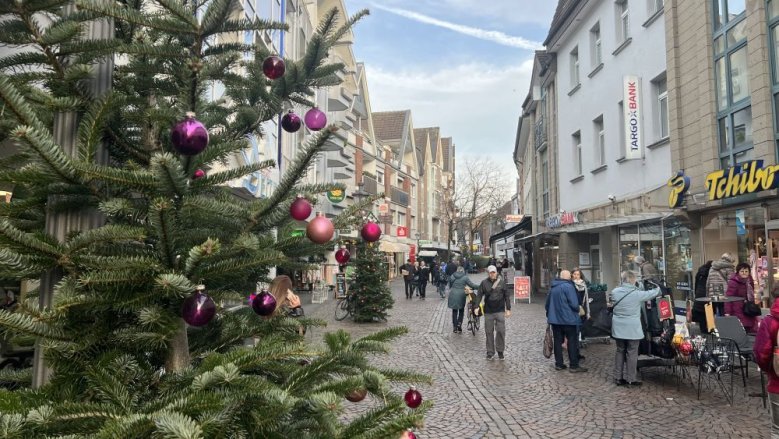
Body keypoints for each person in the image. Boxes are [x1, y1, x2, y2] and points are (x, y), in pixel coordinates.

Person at [611, 271, 662, 386]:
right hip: (632, 328)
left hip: (618, 327)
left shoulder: (614, 292)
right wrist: (653, 283)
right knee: (632, 352)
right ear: (632, 280)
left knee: (620, 350)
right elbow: (656, 291)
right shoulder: (637, 294)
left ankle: (617, 377)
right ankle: (631, 378)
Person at [546, 270, 587, 372]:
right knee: (572, 342)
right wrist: (579, 309)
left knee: (557, 341)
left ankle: (559, 364)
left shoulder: (553, 287)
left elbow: (547, 305)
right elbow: (574, 304)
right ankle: (573, 365)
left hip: (555, 320)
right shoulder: (569, 286)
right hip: (569, 319)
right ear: (568, 277)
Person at [752, 298, 779, 435]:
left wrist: (768, 369)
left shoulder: (769, 321)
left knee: (777, 430)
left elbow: (761, 353)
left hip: (777, 383)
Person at [475, 265, 512, 360]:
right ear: (488, 273)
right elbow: (479, 295)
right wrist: (476, 307)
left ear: (496, 273)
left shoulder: (502, 283)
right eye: (490, 272)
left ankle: (500, 351)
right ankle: (490, 352)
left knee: (500, 331)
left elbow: (507, 296)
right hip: (488, 311)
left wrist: (508, 309)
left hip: (499, 311)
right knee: (489, 332)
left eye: (493, 272)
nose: (492, 274)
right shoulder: (484, 283)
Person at [724, 262, 757, 333]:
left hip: (748, 309)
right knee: (741, 329)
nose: (744, 273)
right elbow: (728, 297)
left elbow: (751, 295)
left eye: (746, 271)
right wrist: (727, 312)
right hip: (737, 310)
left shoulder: (749, 281)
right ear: (738, 272)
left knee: (749, 329)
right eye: (742, 271)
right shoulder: (733, 282)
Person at [448, 265, 479, 333]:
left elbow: (449, 285)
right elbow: (472, 285)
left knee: (454, 311)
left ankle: (455, 327)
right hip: (461, 294)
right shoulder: (465, 277)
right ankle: (459, 324)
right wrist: (480, 287)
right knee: (461, 310)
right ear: (463, 271)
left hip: (453, 294)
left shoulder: (452, 276)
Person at [571, 268, 590, 359]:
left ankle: (577, 352)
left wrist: (588, 312)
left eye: (578, 274)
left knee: (579, 333)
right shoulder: (571, 285)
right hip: (574, 311)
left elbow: (586, 298)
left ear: (580, 275)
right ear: (572, 275)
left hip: (582, 310)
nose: (576, 276)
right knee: (575, 332)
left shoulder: (584, 285)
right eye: (574, 274)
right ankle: (574, 353)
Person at [692, 260, 713, 333]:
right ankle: (710, 329)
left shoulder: (700, 272)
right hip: (708, 294)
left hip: (699, 294)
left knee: (701, 313)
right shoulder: (712, 273)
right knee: (709, 311)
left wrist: (696, 294)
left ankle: (703, 329)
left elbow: (696, 283)